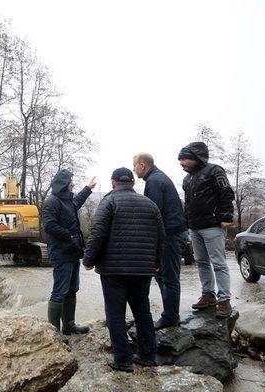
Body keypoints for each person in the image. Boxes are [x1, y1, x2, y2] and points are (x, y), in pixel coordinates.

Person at [82, 167, 164, 372]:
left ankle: (123, 359)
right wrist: (156, 261)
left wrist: (88, 259)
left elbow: (98, 233)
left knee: (115, 314)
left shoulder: (109, 202)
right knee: (142, 311)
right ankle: (148, 355)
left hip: (113, 270)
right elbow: (161, 236)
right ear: (133, 183)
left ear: (113, 183)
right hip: (143, 269)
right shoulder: (150, 204)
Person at [178, 142, 235, 318]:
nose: (181, 163)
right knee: (201, 262)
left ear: (196, 157)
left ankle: (224, 300)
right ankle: (208, 294)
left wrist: (226, 216)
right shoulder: (187, 179)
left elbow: (226, 192)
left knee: (218, 263)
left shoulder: (215, 171)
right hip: (194, 227)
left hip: (213, 225)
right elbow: (188, 203)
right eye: (180, 160)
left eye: (184, 159)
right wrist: (187, 223)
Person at [133, 153, 188, 329]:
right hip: (171, 234)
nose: (133, 169)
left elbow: (152, 213)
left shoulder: (154, 182)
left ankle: (171, 318)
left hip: (170, 235)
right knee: (162, 275)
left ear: (142, 165)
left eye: (134, 165)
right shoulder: (158, 177)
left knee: (169, 277)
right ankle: (170, 314)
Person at [42, 169, 96, 338]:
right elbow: (49, 225)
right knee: (60, 291)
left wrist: (88, 188)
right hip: (61, 252)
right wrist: (70, 235)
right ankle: (54, 331)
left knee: (72, 289)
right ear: (64, 184)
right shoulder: (52, 201)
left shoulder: (67, 200)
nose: (73, 183)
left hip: (73, 252)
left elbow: (77, 201)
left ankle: (69, 325)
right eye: (71, 181)